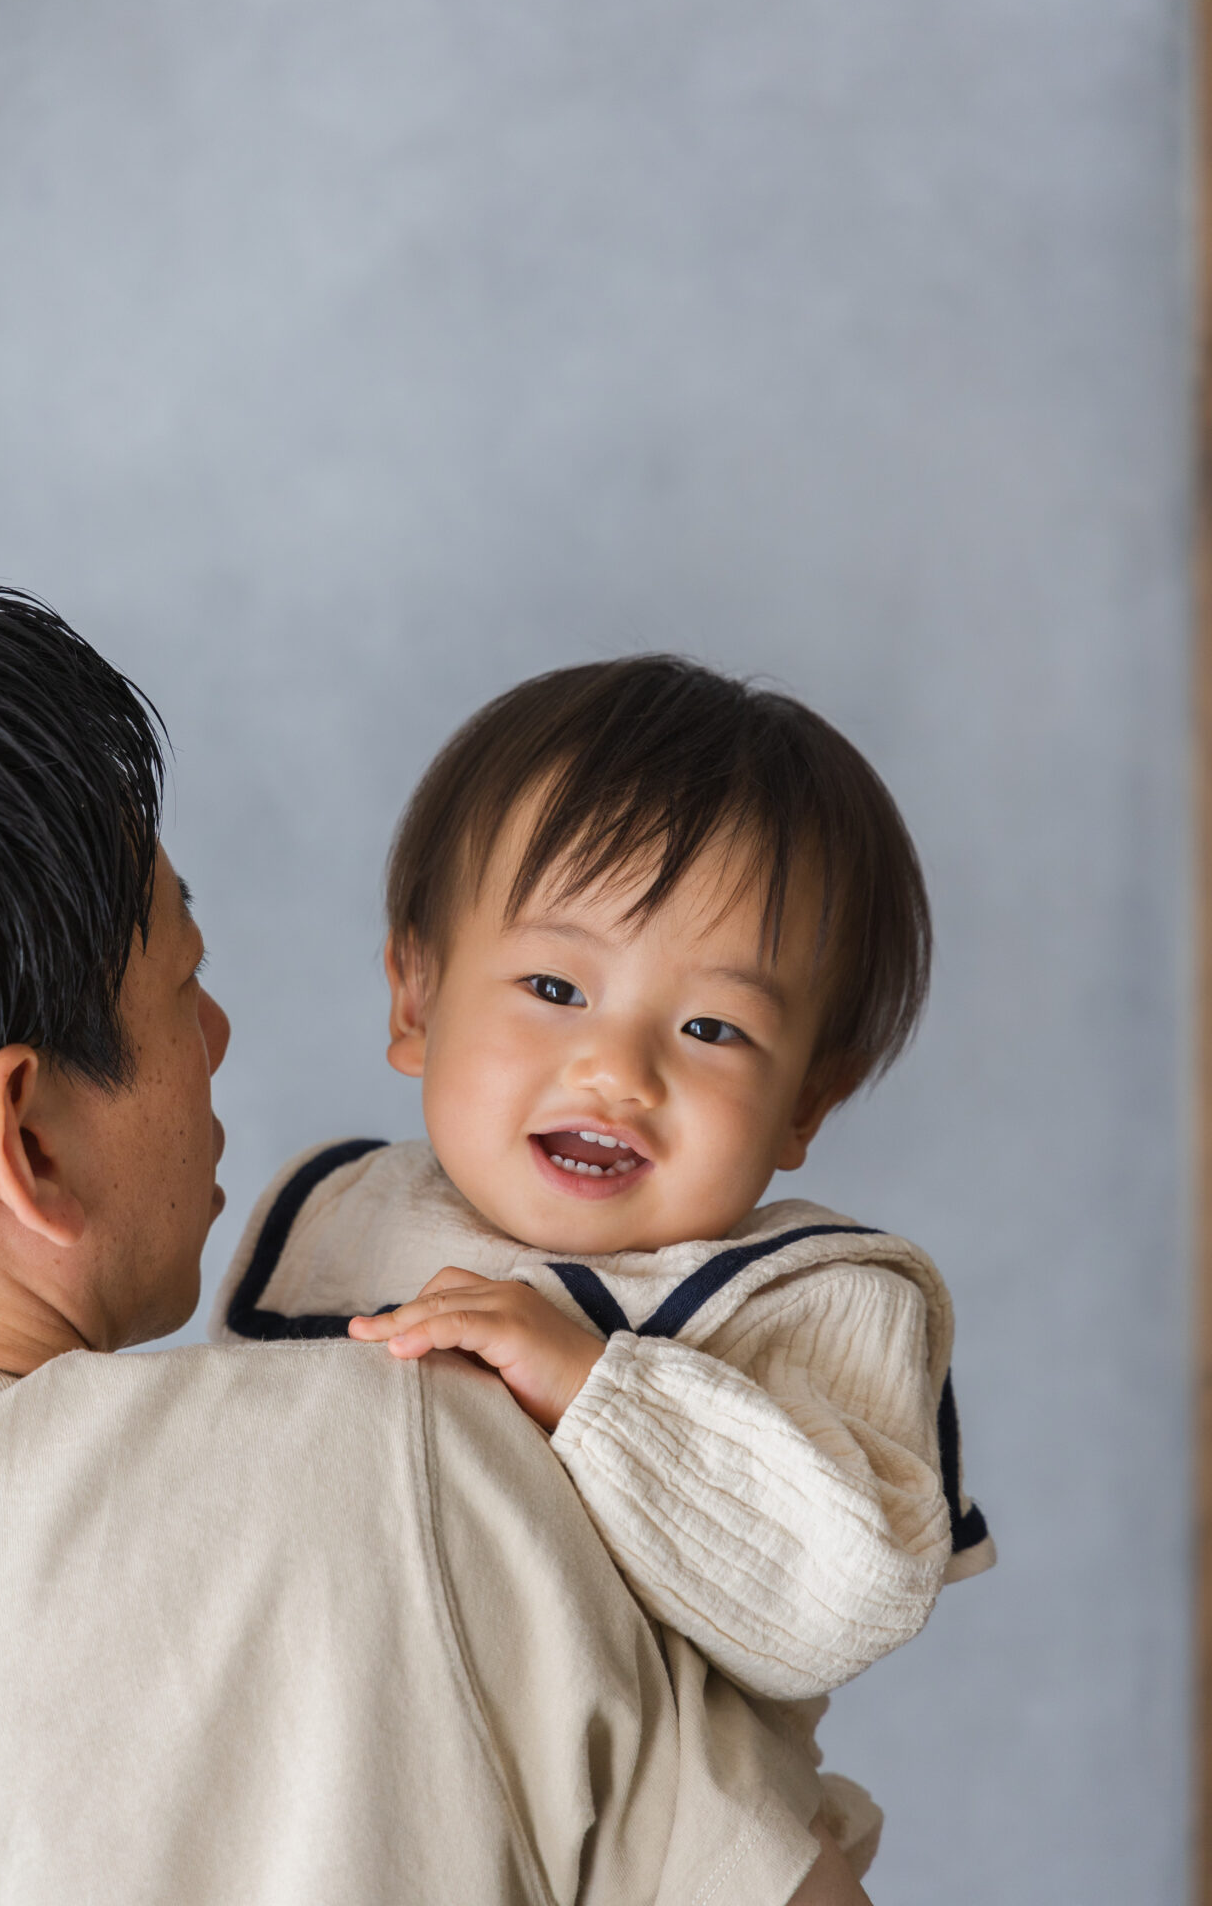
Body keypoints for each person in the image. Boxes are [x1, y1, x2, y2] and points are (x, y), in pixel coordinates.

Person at [0, 583, 865, 1905]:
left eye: (710, 1027)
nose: (219, 1038)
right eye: (183, 986)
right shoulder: (413, 1450)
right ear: (24, 1143)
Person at [215, 656, 996, 1899]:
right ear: (413, 996)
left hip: (668, 1851)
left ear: (806, 1101)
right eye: (554, 987)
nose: (616, 1070)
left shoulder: (809, 1293)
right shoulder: (336, 1216)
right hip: (366, 1818)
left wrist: (595, 1388)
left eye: (711, 1029)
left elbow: (838, 1599)